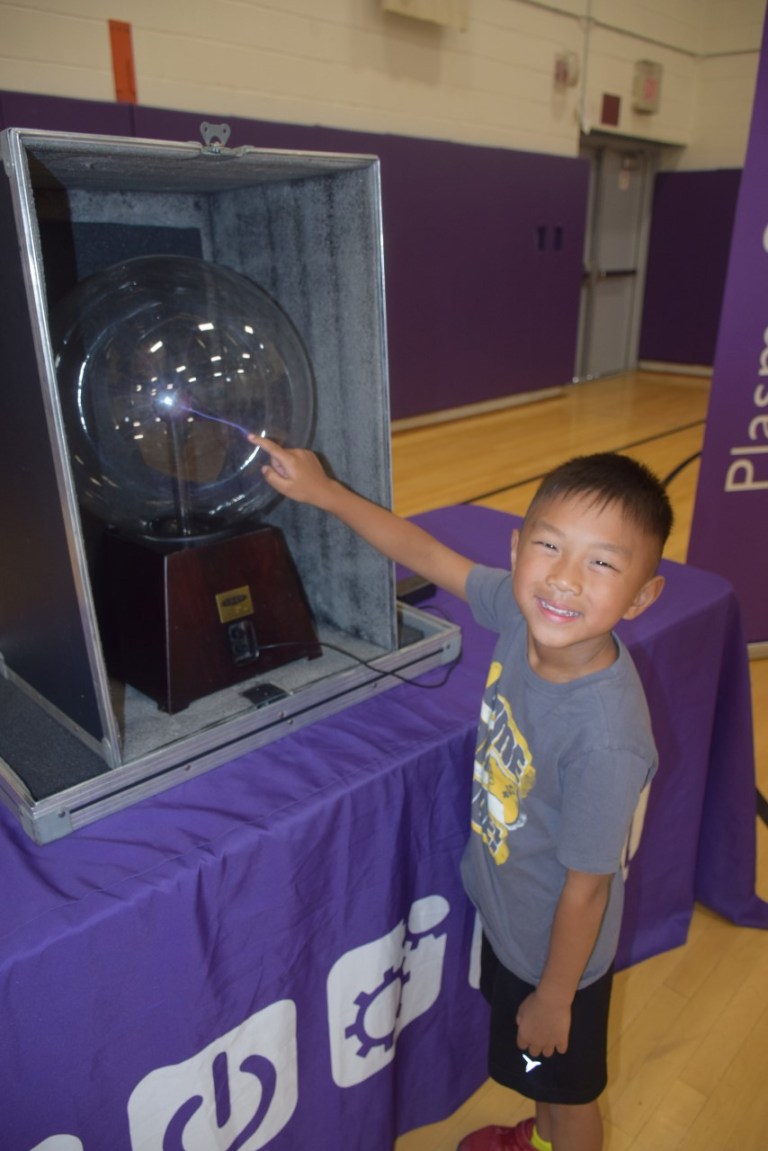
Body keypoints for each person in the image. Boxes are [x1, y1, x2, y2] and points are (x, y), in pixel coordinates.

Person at [251, 436, 672, 1151]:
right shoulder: (519, 612)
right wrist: (325, 492)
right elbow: (425, 553)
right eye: (550, 546)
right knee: (541, 1076)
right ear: (517, 551)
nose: (565, 579)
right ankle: (538, 1134)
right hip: (514, 914)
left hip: (556, 954)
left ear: (642, 596)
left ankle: (555, 1137)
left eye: (602, 563)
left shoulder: (606, 735)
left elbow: (587, 890)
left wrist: (555, 996)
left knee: (566, 1089)